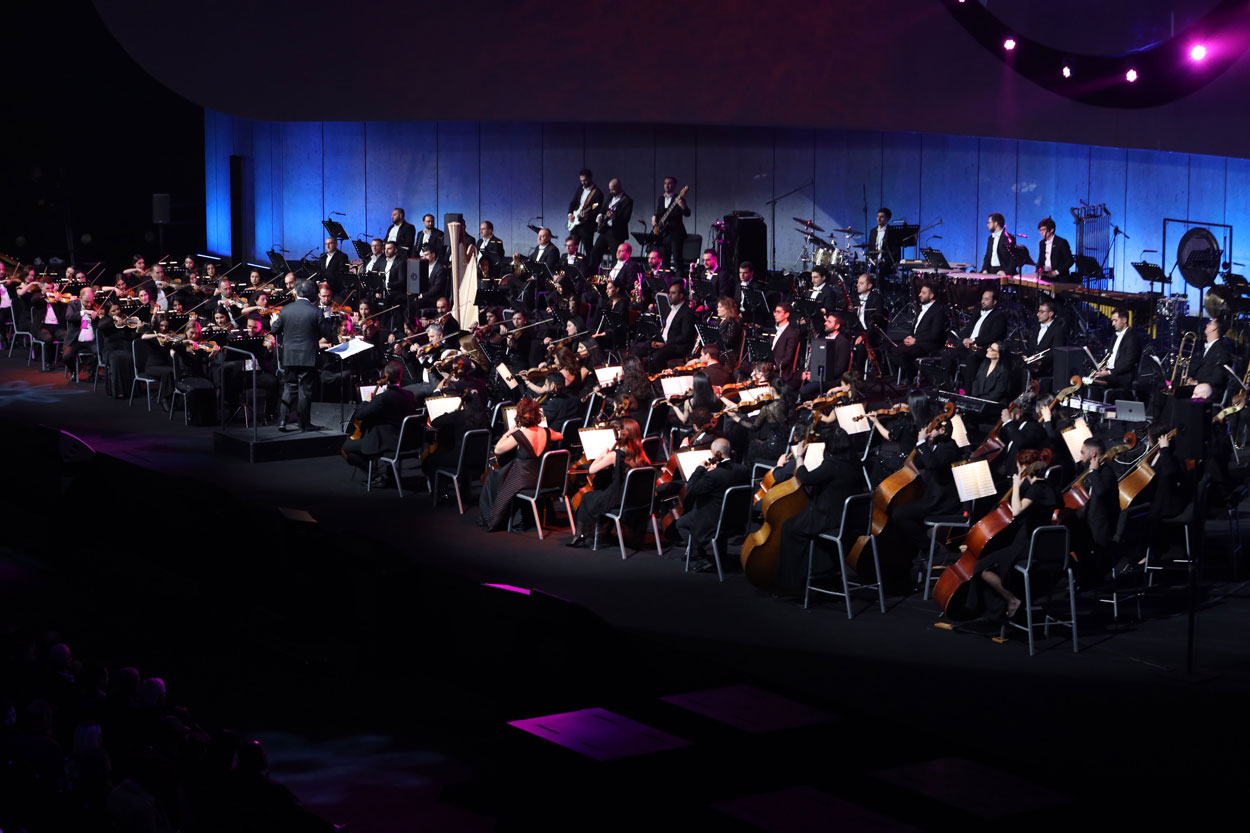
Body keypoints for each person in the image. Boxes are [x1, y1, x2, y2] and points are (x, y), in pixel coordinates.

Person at [966, 449, 1061, 621]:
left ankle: (1011, 600)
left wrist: (1016, 486)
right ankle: (997, 609)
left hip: (1026, 545)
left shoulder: (1036, 490)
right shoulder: (1048, 486)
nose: (1017, 471)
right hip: (1042, 545)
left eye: (1018, 467)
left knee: (982, 567)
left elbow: (1016, 511)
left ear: (1024, 467)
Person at [774, 424, 864, 592]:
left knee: (789, 527)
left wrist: (799, 457)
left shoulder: (832, 464)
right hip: (851, 520)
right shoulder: (856, 462)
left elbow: (806, 478)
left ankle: (794, 584)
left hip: (830, 519)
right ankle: (824, 572)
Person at [479, 397, 564, 531]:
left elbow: (497, 449)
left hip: (522, 480)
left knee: (493, 477)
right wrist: (544, 429)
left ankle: (493, 517)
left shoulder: (519, 435)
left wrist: (508, 433)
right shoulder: (547, 432)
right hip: (541, 479)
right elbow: (560, 436)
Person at [566, 418, 651, 547]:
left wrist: (601, 455)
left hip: (618, 499)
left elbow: (591, 469)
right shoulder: (642, 454)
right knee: (602, 488)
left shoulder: (615, 455)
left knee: (588, 497)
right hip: (635, 500)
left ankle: (581, 535)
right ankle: (605, 530)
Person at [674, 438, 751, 570]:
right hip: (737, 521)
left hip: (715, 522)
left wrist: (699, 469)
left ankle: (698, 557)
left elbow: (691, 490)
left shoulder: (713, 476)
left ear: (717, 454)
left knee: (680, 523)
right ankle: (721, 556)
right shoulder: (743, 470)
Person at [340, 361, 419, 483]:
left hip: (387, 443)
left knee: (344, 448)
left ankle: (376, 475)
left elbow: (360, 415)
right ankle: (388, 473)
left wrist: (366, 401)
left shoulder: (382, 398)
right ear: (400, 376)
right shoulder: (409, 395)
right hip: (407, 441)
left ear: (386, 375)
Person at [271, 279, 329, 432]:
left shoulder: (286, 309)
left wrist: (274, 322)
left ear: (297, 292)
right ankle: (304, 424)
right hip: (308, 357)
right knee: (304, 391)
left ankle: (282, 421)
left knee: (289, 387)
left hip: (289, 356)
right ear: (312, 294)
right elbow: (327, 333)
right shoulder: (316, 311)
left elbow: (275, 330)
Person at [946, 288, 1007, 389]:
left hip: (983, 348)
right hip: (969, 346)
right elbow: (967, 329)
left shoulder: (999, 316)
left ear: (994, 302)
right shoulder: (977, 313)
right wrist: (964, 339)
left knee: (972, 358)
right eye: (982, 299)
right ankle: (948, 386)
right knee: (948, 354)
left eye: (986, 299)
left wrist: (974, 341)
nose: (982, 301)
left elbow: (994, 336)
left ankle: (970, 390)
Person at [891, 282, 946, 382]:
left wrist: (916, 340)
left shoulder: (938, 311)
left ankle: (912, 376)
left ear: (931, 295)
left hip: (928, 344)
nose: (920, 294)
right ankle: (910, 374)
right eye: (920, 292)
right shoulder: (921, 308)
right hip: (916, 341)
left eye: (923, 293)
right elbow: (915, 327)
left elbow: (935, 334)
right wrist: (909, 336)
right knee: (892, 350)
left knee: (902, 353)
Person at [636, 282, 696, 372]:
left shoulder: (687, 313)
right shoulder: (670, 309)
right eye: (669, 293)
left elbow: (685, 336)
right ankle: (639, 375)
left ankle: (664, 376)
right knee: (638, 350)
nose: (669, 296)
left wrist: (666, 343)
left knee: (657, 356)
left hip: (677, 346)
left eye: (673, 293)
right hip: (664, 342)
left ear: (681, 296)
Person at [1089, 308, 1140, 402]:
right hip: (1110, 372)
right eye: (1112, 320)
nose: (1113, 324)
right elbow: (1109, 355)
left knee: (1095, 381)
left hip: (1122, 376)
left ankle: (1099, 408)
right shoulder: (1115, 336)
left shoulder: (1132, 338)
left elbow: (1127, 364)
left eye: (1115, 320)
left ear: (1124, 320)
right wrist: (1101, 366)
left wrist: (1109, 372)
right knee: (1088, 376)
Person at [1183, 317, 1233, 401]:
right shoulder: (1206, 348)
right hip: (1197, 386)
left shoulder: (1222, 350)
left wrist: (1196, 382)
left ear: (1214, 328)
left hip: (1209, 391)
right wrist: (1188, 377)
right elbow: (1198, 368)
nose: (1206, 325)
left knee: (1177, 398)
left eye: (1209, 323)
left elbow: (1218, 377)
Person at [589, 177, 633, 268]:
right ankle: (592, 274)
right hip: (605, 230)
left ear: (619, 187)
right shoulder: (610, 197)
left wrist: (614, 217)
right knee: (595, 252)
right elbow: (603, 209)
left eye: (613, 189)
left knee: (616, 257)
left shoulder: (627, 201)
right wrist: (600, 215)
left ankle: (614, 275)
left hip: (616, 233)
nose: (611, 192)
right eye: (610, 189)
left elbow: (626, 218)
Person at [652, 175, 691, 273]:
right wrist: (654, 218)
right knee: (664, 260)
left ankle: (680, 280)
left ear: (674, 185)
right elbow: (659, 213)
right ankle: (666, 280)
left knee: (677, 259)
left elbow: (687, 213)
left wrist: (682, 205)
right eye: (665, 183)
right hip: (664, 234)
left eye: (669, 183)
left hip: (676, 234)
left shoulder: (679, 199)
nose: (667, 185)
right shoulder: (661, 199)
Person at [1024, 298, 1067, 387]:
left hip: (1045, 368)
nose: (1037, 314)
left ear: (1050, 314)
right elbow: (1031, 346)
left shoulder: (1058, 330)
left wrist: (1039, 361)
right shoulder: (1037, 327)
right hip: (1033, 364)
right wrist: (1026, 356)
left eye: (1041, 312)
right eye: (1038, 311)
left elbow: (1055, 352)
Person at [567, 169, 604, 256]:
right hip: (575, 224)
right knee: (572, 247)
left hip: (587, 226)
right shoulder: (580, 188)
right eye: (581, 180)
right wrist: (570, 214)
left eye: (585, 180)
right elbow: (573, 202)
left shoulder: (598, 193)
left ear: (590, 178)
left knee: (588, 250)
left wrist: (588, 215)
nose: (583, 182)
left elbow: (596, 208)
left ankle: (588, 264)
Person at [968, 342, 1012, 410]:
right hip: (980, 401)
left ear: (999, 355)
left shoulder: (1004, 371)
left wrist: (980, 401)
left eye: (992, 349)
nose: (987, 349)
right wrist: (975, 398)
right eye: (989, 347)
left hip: (994, 405)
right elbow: (976, 381)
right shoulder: (985, 363)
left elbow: (997, 394)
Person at [770, 302, 802, 388]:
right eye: (775, 312)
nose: (775, 314)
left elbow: (788, 358)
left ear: (786, 314)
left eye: (778, 312)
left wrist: (775, 367)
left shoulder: (792, 333)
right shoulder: (774, 330)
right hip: (770, 367)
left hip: (782, 372)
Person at [866, 207, 901, 275]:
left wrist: (883, 260)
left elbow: (896, 251)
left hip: (886, 263)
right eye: (877, 216)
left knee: (882, 273)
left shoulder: (892, 232)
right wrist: (872, 259)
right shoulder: (873, 231)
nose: (878, 219)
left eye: (881, 217)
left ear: (887, 219)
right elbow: (870, 248)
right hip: (874, 262)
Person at [715, 296, 744, 372]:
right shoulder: (718, 321)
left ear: (728, 309)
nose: (717, 309)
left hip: (727, 355)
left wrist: (716, 333)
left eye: (720, 307)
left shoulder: (733, 323)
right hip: (718, 350)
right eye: (718, 307)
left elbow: (727, 341)